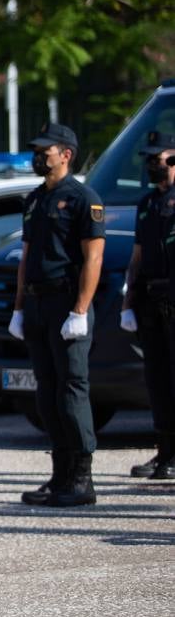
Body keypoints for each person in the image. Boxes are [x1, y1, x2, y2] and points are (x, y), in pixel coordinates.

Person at [8, 123, 105, 507]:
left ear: (65, 154)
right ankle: (60, 474)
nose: (38, 156)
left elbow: (93, 257)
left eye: (45, 150)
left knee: (71, 392)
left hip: (67, 304)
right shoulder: (35, 199)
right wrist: (18, 307)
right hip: (37, 304)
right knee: (46, 394)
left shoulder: (83, 198)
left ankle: (82, 479)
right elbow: (27, 256)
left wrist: (80, 310)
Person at [119, 130, 175, 480]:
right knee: (158, 380)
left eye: (158, 159)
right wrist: (128, 301)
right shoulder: (147, 204)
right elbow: (137, 257)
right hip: (151, 302)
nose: (152, 165)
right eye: (149, 159)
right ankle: (164, 451)